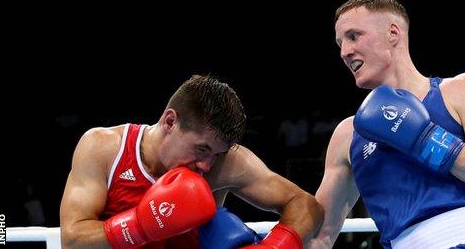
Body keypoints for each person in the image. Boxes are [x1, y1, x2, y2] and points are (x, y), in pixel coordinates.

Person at [308, 0, 465, 249]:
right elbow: (320, 237)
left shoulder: (461, 90)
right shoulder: (347, 136)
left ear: (393, 33)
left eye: (354, 36)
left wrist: (426, 140)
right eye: (339, 43)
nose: (345, 51)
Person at [60, 75, 323, 249]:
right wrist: (140, 226)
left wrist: (277, 245)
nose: (207, 166)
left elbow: (306, 205)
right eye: (202, 149)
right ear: (170, 122)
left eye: (216, 154)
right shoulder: (104, 148)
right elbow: (72, 239)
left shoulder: (228, 163)